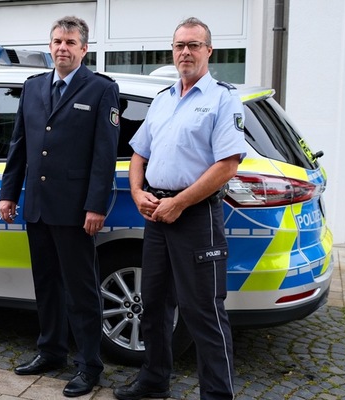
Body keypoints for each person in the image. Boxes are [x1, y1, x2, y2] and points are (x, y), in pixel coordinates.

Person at [114, 17, 244, 400]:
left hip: (196, 215)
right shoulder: (163, 99)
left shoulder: (222, 98)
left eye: (193, 45)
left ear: (209, 51)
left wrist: (179, 203)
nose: (185, 52)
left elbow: (228, 164)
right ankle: (154, 382)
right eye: (179, 46)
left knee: (203, 311)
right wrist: (138, 193)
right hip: (157, 214)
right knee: (152, 303)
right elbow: (139, 152)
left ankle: (217, 395)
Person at [0, 16, 120, 398]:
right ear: (49, 46)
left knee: (80, 291)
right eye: (56, 41)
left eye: (70, 42)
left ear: (84, 48)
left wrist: (96, 206)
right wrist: (8, 194)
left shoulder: (100, 89)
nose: (62, 47)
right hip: (37, 206)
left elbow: (105, 154)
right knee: (46, 285)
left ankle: (89, 365)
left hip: (75, 211)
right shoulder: (33, 88)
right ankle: (51, 351)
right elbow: (20, 146)